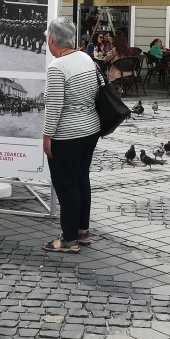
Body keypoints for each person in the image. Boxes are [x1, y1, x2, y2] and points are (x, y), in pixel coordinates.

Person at [42, 16, 101, 254]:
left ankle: (69, 239)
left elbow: (54, 106)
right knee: (80, 179)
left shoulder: (57, 67)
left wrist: (47, 136)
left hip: (67, 134)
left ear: (53, 39)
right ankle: (82, 231)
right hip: (90, 129)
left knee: (66, 185)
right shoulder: (86, 58)